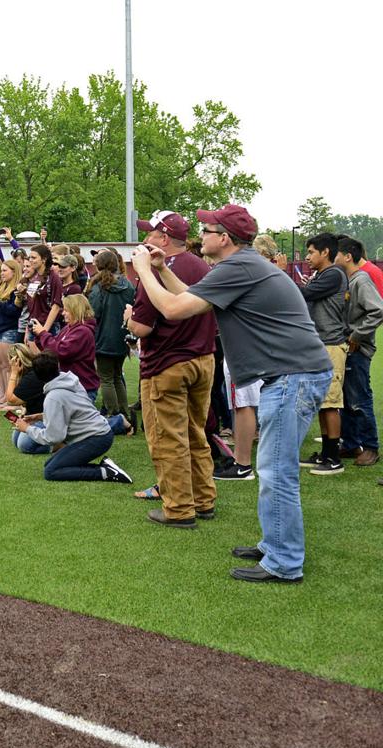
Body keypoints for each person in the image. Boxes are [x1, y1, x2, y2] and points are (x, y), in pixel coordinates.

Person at [132, 203, 332, 583]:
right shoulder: (240, 267)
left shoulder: (240, 267)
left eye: (206, 231)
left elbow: (174, 309)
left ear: (224, 238)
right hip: (294, 374)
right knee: (275, 469)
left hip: (293, 377)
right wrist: (159, 269)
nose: (198, 237)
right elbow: (193, 297)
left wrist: (142, 270)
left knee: (277, 472)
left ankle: (284, 562)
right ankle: (275, 544)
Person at [125, 209, 219, 524]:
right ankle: (203, 499)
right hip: (203, 359)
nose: (145, 238)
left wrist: (128, 318)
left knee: (169, 438)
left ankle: (179, 508)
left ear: (163, 237)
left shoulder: (154, 269)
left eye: (149, 233)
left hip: (167, 363)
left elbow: (142, 327)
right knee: (195, 433)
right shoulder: (202, 265)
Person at [12, 352, 133, 484]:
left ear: (37, 376)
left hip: (95, 438)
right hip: (100, 433)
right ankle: (106, 467)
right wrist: (40, 417)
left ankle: (105, 472)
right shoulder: (71, 380)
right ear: (57, 366)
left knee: (51, 472)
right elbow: (72, 410)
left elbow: (54, 437)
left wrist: (27, 429)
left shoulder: (53, 397)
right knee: (50, 464)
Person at [293, 232, 350, 474]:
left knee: (331, 403)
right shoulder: (324, 275)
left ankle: (334, 459)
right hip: (321, 345)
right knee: (322, 402)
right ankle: (326, 454)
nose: (307, 257)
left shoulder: (333, 274)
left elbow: (304, 294)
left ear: (325, 252)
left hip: (331, 345)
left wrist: (279, 275)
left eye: (311, 252)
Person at [335, 235, 383, 467]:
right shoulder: (349, 279)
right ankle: (352, 444)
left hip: (358, 348)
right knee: (346, 398)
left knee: (359, 398)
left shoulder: (361, 280)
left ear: (347, 256)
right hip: (347, 347)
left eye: (336, 253)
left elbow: (377, 311)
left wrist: (356, 335)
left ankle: (371, 447)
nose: (332, 257)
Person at [86, 249, 136, 429]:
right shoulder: (128, 284)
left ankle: (113, 414)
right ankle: (124, 412)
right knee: (116, 376)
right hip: (122, 337)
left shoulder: (99, 287)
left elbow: (94, 313)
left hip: (104, 337)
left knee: (106, 378)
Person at [33, 294, 100, 401]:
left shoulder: (83, 331)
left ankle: (118, 418)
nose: (63, 313)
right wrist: (38, 336)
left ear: (76, 310)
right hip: (71, 386)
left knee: (78, 418)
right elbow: (51, 350)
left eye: (66, 310)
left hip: (82, 388)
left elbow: (60, 352)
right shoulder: (69, 328)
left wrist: (42, 334)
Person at [0, 259, 23, 396]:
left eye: (5, 270)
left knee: (8, 366)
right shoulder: (2, 288)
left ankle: (10, 396)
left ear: (14, 272)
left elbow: (15, 311)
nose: (1, 273)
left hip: (8, 329)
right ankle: (2, 393)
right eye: (1, 270)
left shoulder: (16, 290)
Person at [20, 244, 63, 342]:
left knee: (46, 357)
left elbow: (56, 306)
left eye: (34, 257)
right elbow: (31, 306)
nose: (30, 260)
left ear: (44, 259)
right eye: (30, 257)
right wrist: (27, 329)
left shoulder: (53, 277)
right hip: (33, 325)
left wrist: (44, 331)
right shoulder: (33, 277)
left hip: (48, 326)